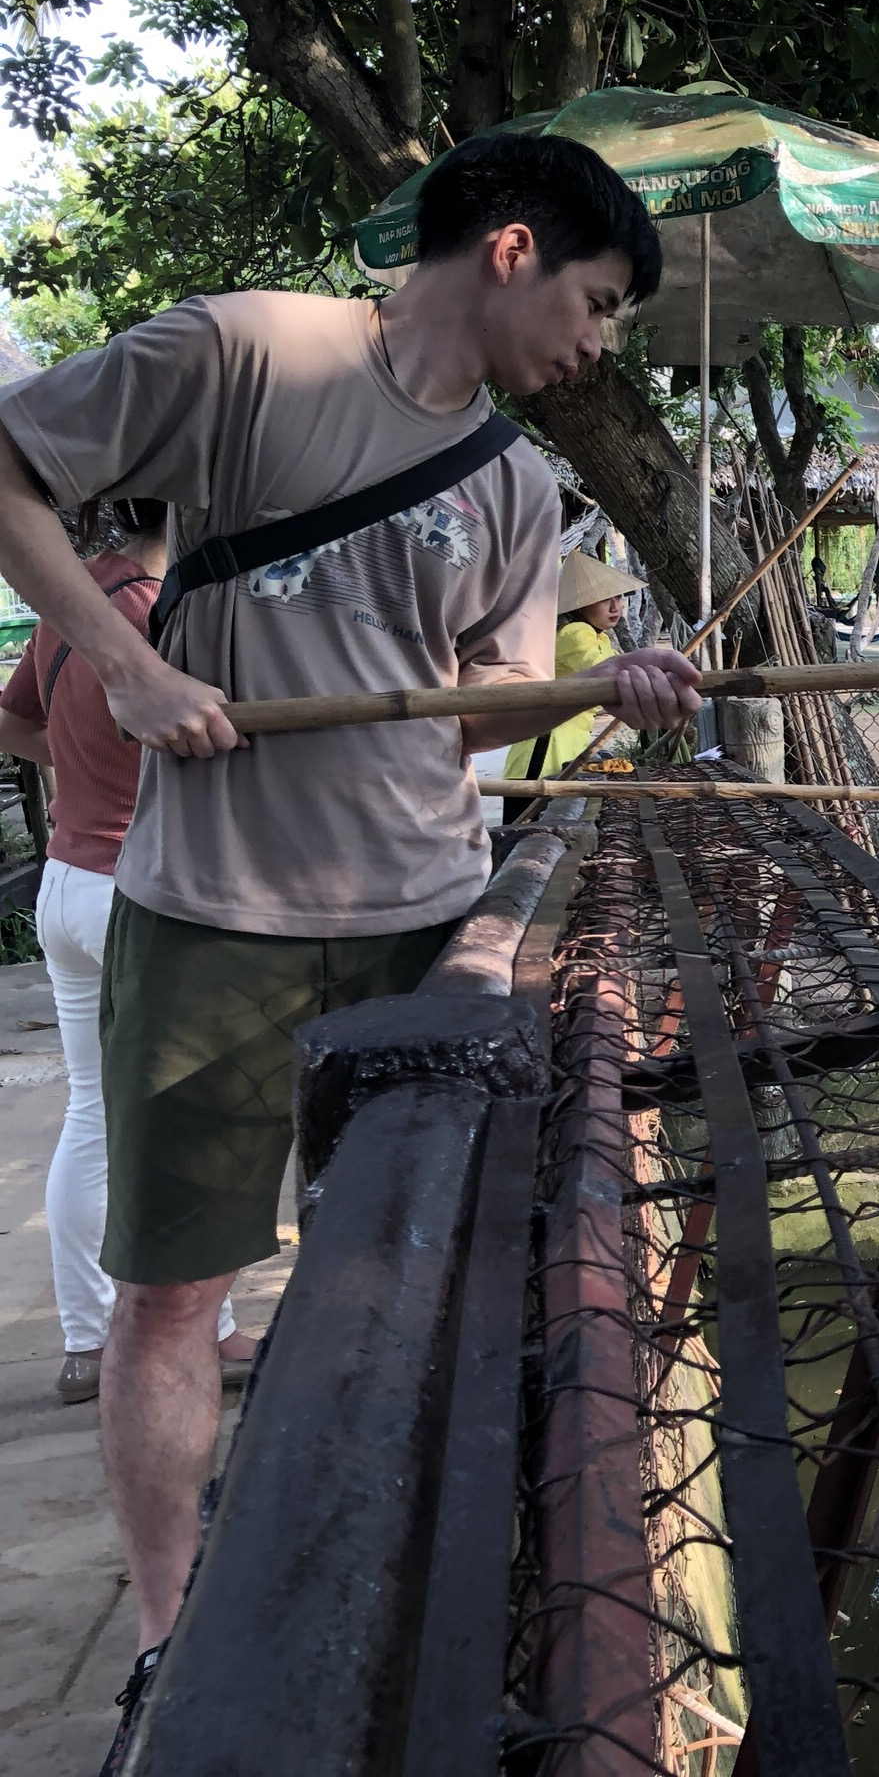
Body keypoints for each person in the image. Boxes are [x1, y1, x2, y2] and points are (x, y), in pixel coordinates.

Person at [0, 130, 703, 1757]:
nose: (595, 345)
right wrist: (119, 659)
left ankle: (375, 1595)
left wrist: (604, 688)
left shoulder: (519, 486)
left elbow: (472, 711)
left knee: (396, 1288)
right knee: (174, 1299)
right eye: (598, 301)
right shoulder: (252, 350)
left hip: (424, 941)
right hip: (212, 922)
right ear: (515, 249)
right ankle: (170, 1637)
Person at [0, 501, 255, 1406]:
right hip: (142, 891)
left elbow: (13, 722)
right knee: (199, 1120)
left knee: (91, 1116)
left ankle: (84, 1341)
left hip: (67, 885)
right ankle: (209, 1330)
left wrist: (80, 772)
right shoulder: (164, 609)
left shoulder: (70, 608)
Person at [500, 549, 643, 820]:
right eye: (604, 599)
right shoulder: (574, 634)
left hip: (568, 744)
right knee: (523, 830)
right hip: (545, 748)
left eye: (619, 597)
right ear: (580, 603)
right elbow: (610, 674)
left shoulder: (595, 635)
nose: (616, 606)